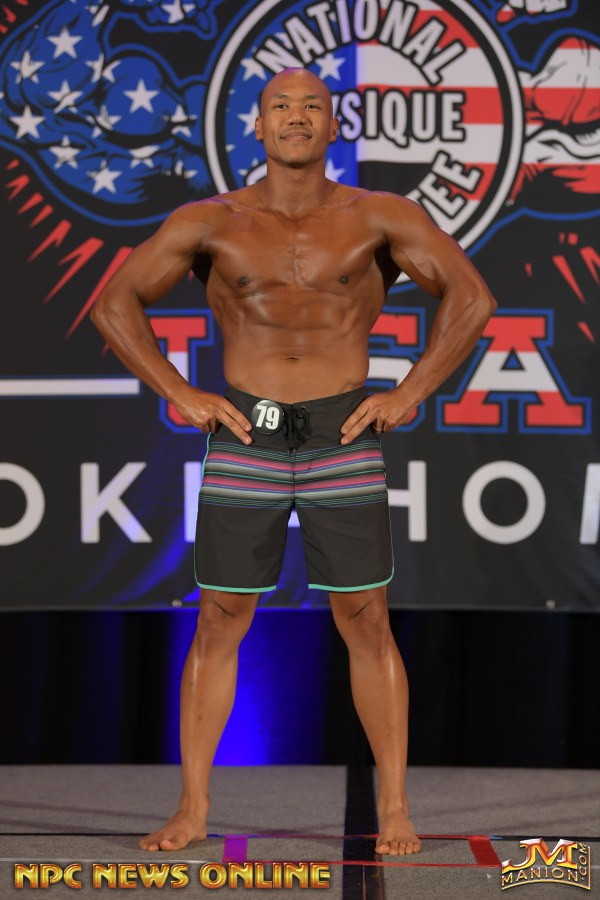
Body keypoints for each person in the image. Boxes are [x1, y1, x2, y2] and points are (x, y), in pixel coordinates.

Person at [91, 67, 497, 856]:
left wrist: (411, 390)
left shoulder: (379, 215)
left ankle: (395, 809)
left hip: (343, 434)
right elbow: (114, 302)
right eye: (281, 105)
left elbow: (471, 296)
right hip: (248, 434)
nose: (297, 117)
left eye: (312, 105)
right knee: (220, 617)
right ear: (259, 125)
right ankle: (193, 808)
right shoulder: (212, 221)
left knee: (366, 618)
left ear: (334, 125)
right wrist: (180, 391)